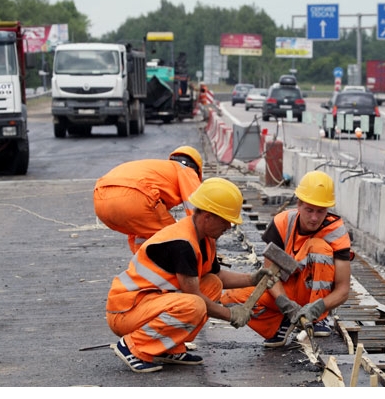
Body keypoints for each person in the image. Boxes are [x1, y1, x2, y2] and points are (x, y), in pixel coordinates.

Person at [106, 177, 278, 373]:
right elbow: (195, 296)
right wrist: (231, 315)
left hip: (147, 304)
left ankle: (167, 347)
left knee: (212, 283)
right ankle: (134, 346)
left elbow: (217, 276)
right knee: (194, 304)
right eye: (226, 221)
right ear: (207, 217)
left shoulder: (204, 238)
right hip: (125, 312)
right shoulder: (182, 243)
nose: (228, 227)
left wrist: (252, 279)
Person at [221, 170, 353, 347]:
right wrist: (285, 304)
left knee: (318, 247)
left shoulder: (336, 232)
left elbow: (343, 289)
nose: (314, 218)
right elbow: (269, 275)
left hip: (315, 297)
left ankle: (318, 320)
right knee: (229, 300)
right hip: (287, 289)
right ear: (298, 204)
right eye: (309, 210)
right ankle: (280, 325)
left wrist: (319, 308)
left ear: (328, 210)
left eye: (320, 212)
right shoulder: (281, 223)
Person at [93, 146, 203, 254]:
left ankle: (143, 265)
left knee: (146, 235)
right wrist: (206, 253)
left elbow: (136, 230)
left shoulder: (159, 168)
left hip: (100, 201)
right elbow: (198, 212)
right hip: (135, 198)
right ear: (197, 170)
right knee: (177, 238)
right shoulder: (186, 170)